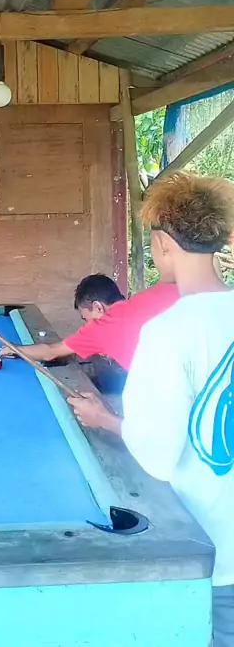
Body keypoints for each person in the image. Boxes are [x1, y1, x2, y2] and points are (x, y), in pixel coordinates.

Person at [68, 172, 234, 647]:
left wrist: (104, 419)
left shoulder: (167, 332)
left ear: (162, 244)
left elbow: (158, 455)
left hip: (217, 557)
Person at [1, 272, 179, 386]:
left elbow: (50, 352)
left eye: (86, 318)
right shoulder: (155, 294)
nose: (87, 325)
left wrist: (15, 349)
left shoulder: (101, 328)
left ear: (98, 307)